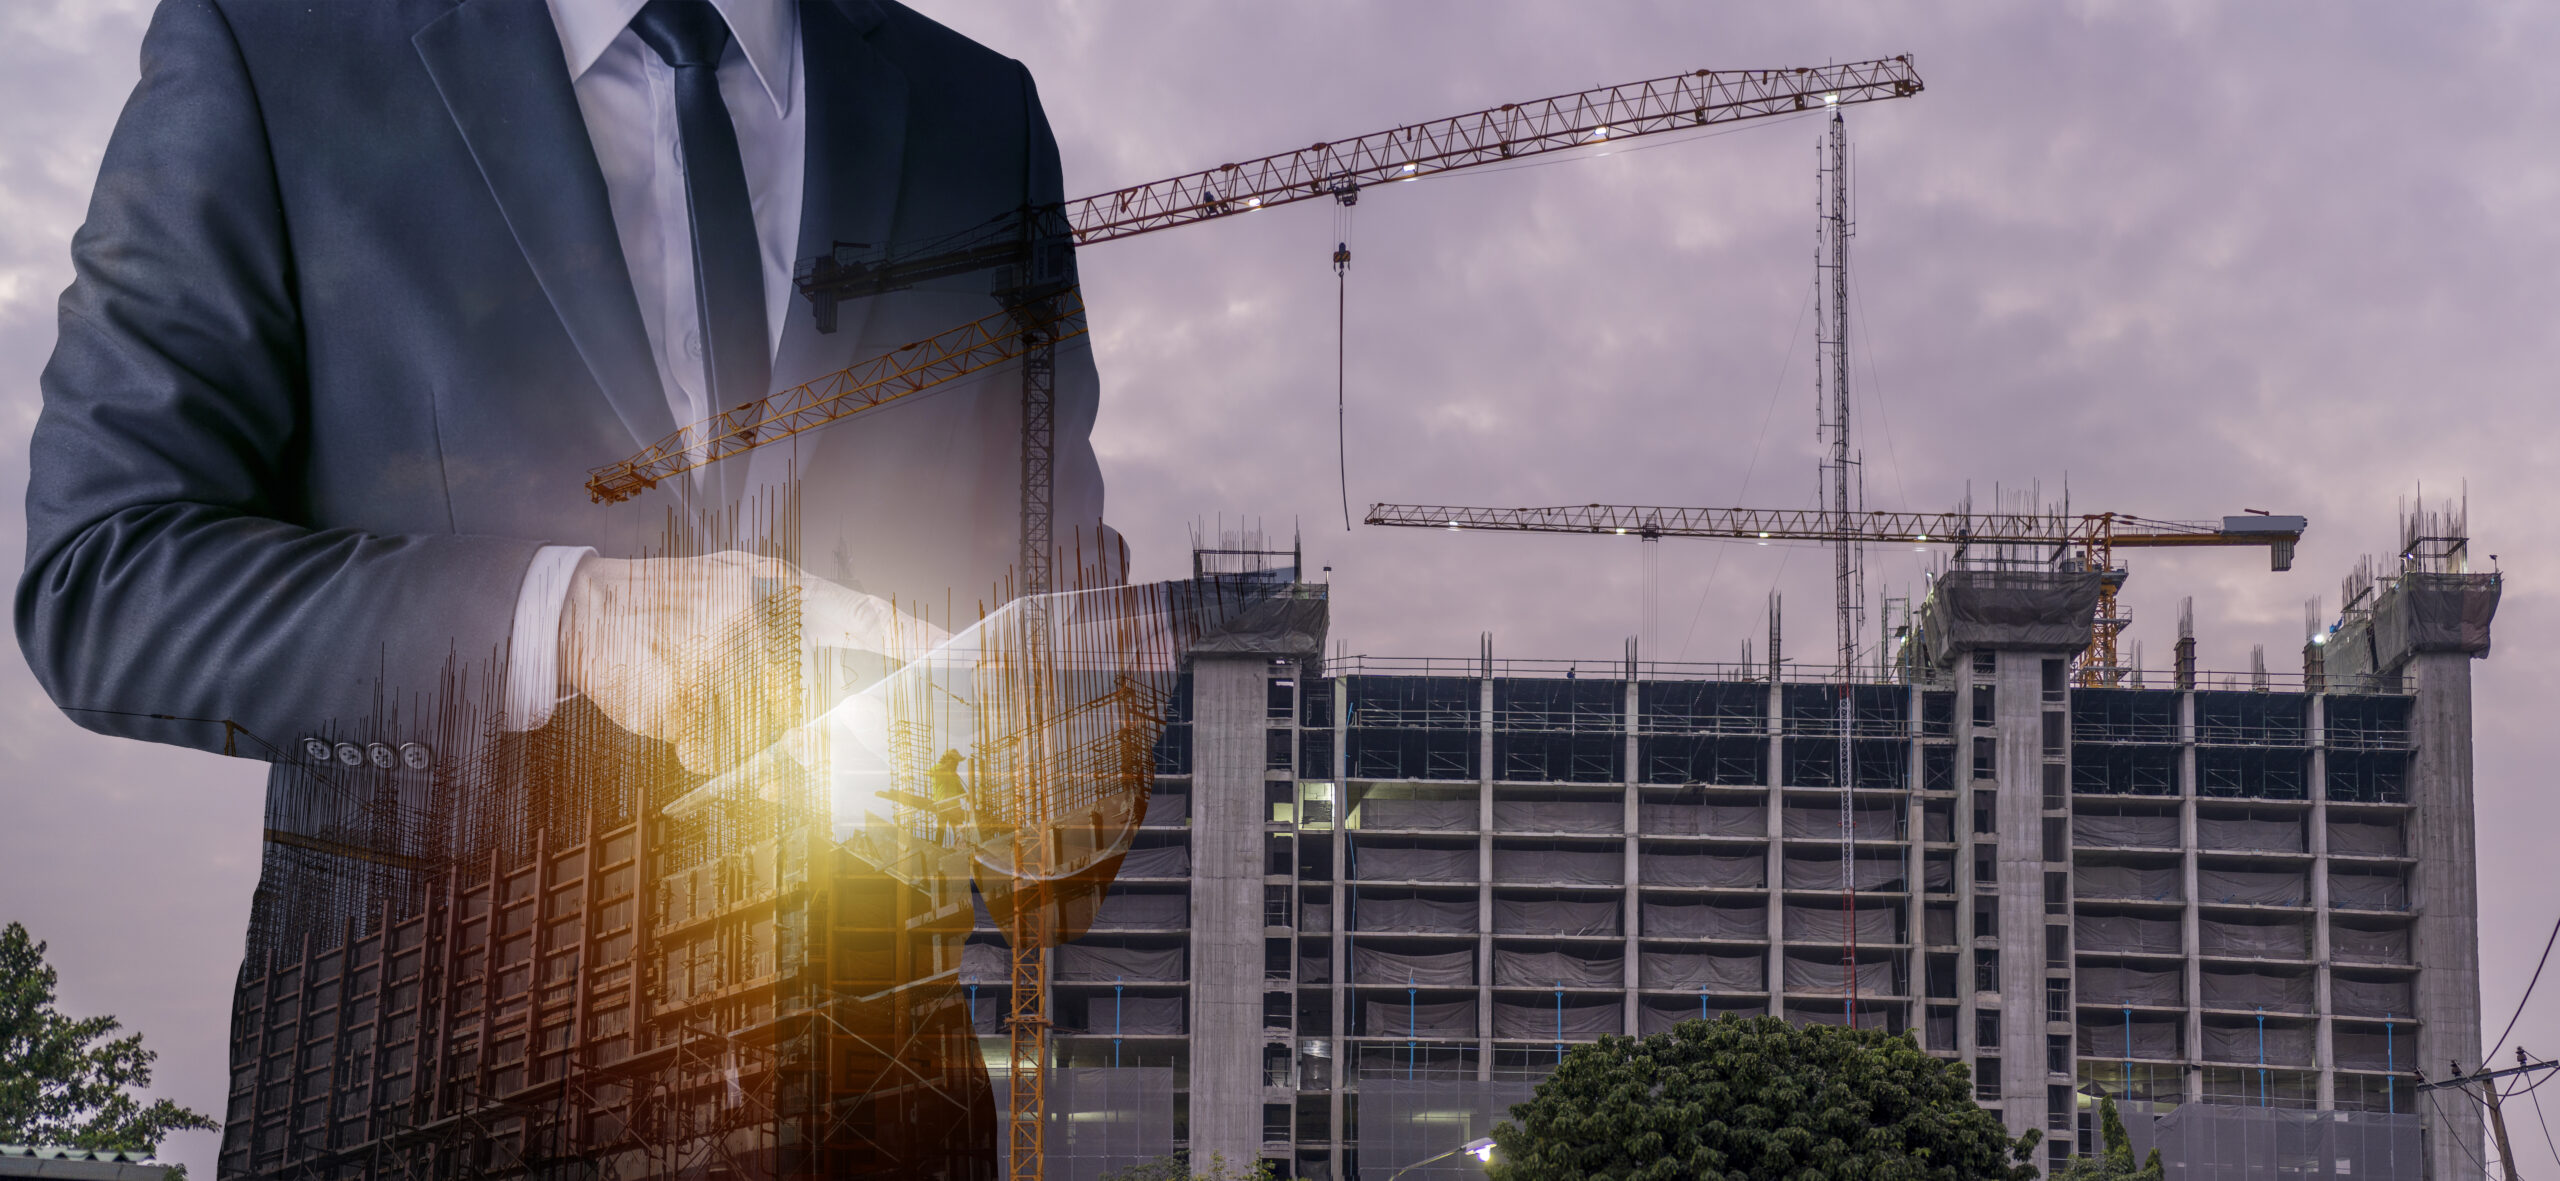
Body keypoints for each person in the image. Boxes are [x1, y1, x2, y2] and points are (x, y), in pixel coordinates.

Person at [17, 1, 1111, 1174]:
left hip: (876, 1115)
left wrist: (1051, 758)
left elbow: (1068, 639)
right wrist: (573, 617)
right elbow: (106, 570)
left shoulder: (979, 114)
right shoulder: (274, 39)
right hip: (426, 1101)